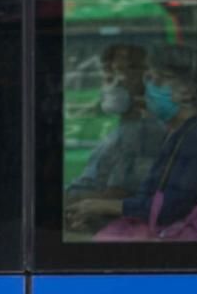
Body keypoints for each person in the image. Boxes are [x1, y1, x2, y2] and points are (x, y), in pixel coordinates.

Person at [65, 45, 197, 237]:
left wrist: (100, 205)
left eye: (159, 81)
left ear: (188, 91)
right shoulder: (177, 134)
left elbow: (167, 208)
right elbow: (150, 201)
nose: (150, 88)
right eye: (149, 79)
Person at [64, 43, 165, 203]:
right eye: (107, 75)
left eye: (119, 73)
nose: (110, 84)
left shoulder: (143, 132)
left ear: (145, 76)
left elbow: (121, 195)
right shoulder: (125, 129)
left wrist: (68, 201)